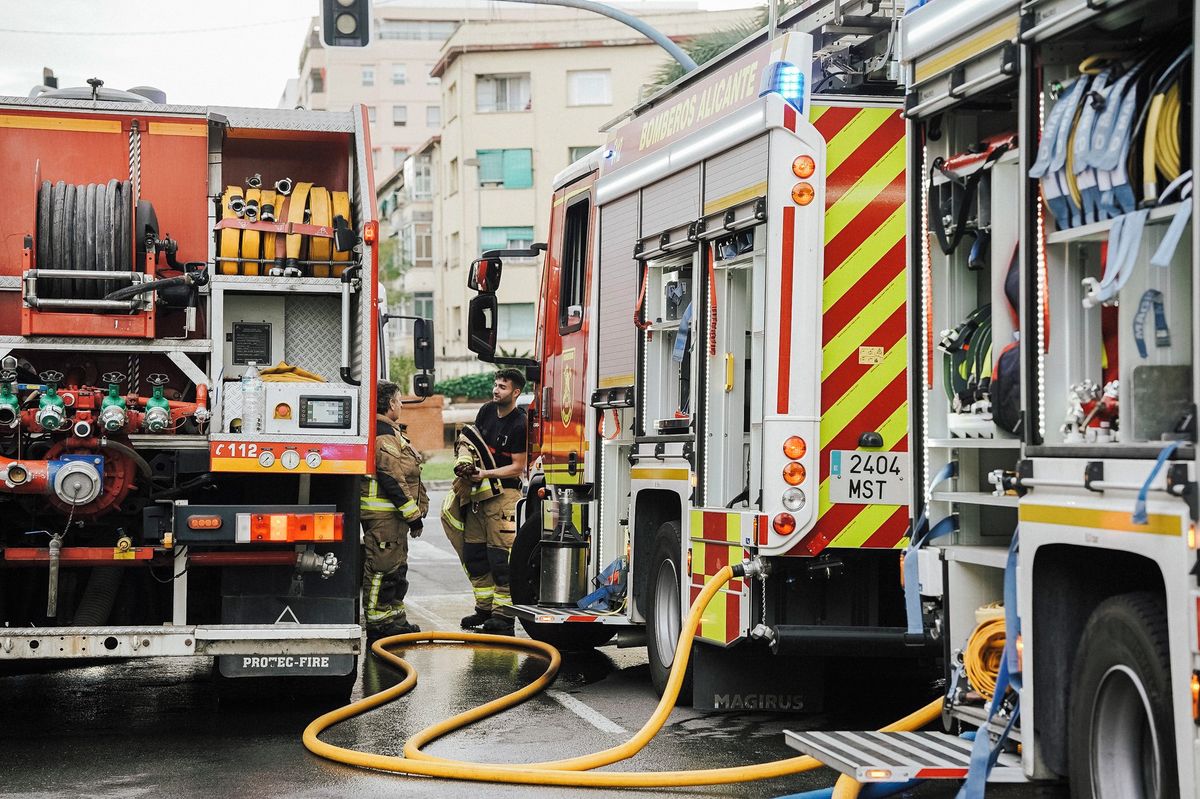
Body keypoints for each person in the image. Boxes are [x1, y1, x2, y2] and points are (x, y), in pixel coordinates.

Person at [447, 368, 527, 634]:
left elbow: (518, 467)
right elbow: (471, 442)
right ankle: (484, 608)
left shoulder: (519, 423)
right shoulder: (486, 411)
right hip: (477, 497)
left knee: (500, 559)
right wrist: (467, 465)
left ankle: (503, 617)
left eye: (503, 387)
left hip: (504, 497)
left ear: (515, 392)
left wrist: (486, 473)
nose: (496, 390)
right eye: (495, 385)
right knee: (475, 556)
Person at [359, 380, 427, 640]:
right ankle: (378, 622)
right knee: (382, 568)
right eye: (399, 400)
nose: (401, 404)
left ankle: (395, 618)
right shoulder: (383, 433)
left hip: (393, 517)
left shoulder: (390, 431)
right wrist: (413, 516)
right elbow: (391, 477)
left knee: (397, 569)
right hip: (384, 516)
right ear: (389, 404)